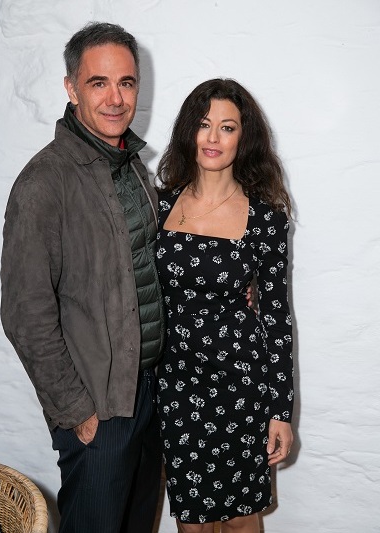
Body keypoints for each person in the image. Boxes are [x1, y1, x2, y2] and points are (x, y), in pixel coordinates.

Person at [0, 22, 165, 533]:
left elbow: (146, 264)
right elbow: (25, 314)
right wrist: (77, 412)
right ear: (72, 88)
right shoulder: (44, 182)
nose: (116, 99)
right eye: (99, 83)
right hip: (99, 410)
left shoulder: (130, 165)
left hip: (149, 393)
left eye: (126, 82)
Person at [155, 78, 294, 533]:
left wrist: (280, 411)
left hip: (240, 387)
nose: (213, 137)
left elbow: (276, 318)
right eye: (203, 124)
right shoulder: (159, 204)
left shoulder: (266, 218)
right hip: (175, 386)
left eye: (227, 127)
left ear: (244, 137)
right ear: (188, 131)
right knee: (191, 523)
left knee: (239, 519)